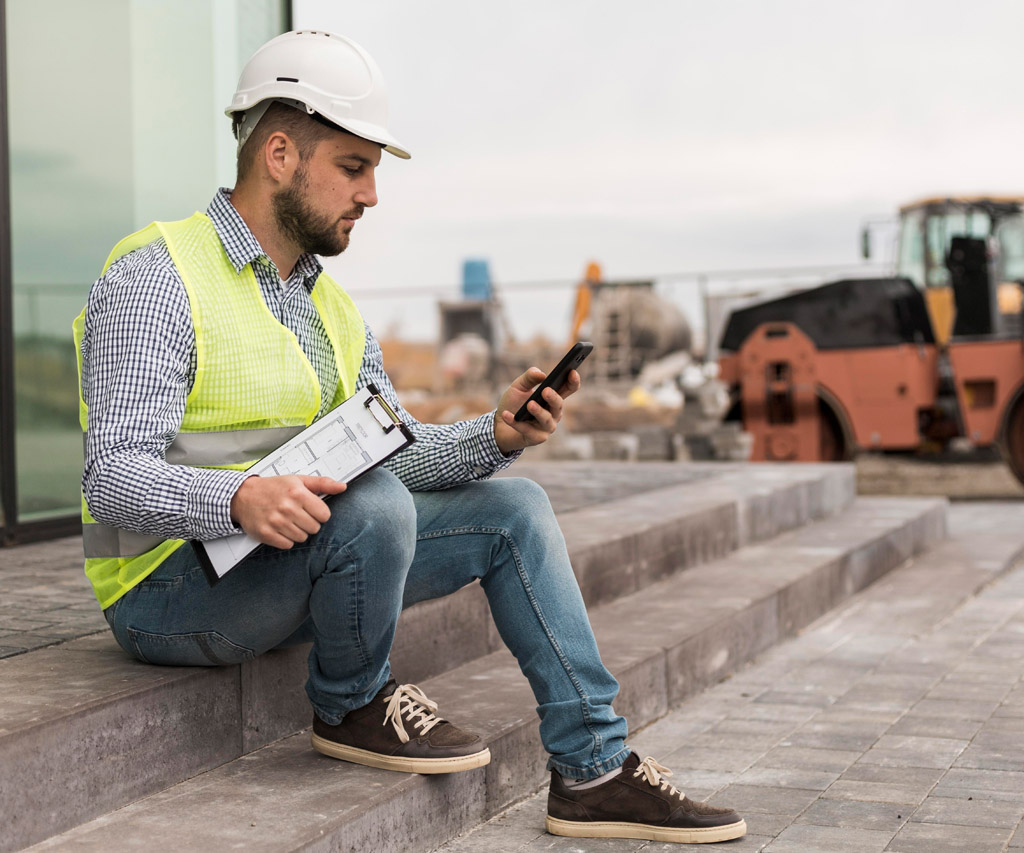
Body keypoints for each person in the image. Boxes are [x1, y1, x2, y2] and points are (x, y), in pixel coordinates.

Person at [74, 30, 745, 845]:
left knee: (515, 507)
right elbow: (111, 475)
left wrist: (496, 433)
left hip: (289, 561)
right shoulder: (158, 277)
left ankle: (592, 769)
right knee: (373, 509)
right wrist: (240, 497)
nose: (372, 195)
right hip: (165, 589)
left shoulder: (332, 309)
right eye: (353, 168)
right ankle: (353, 700)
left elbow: (390, 451)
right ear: (280, 154)